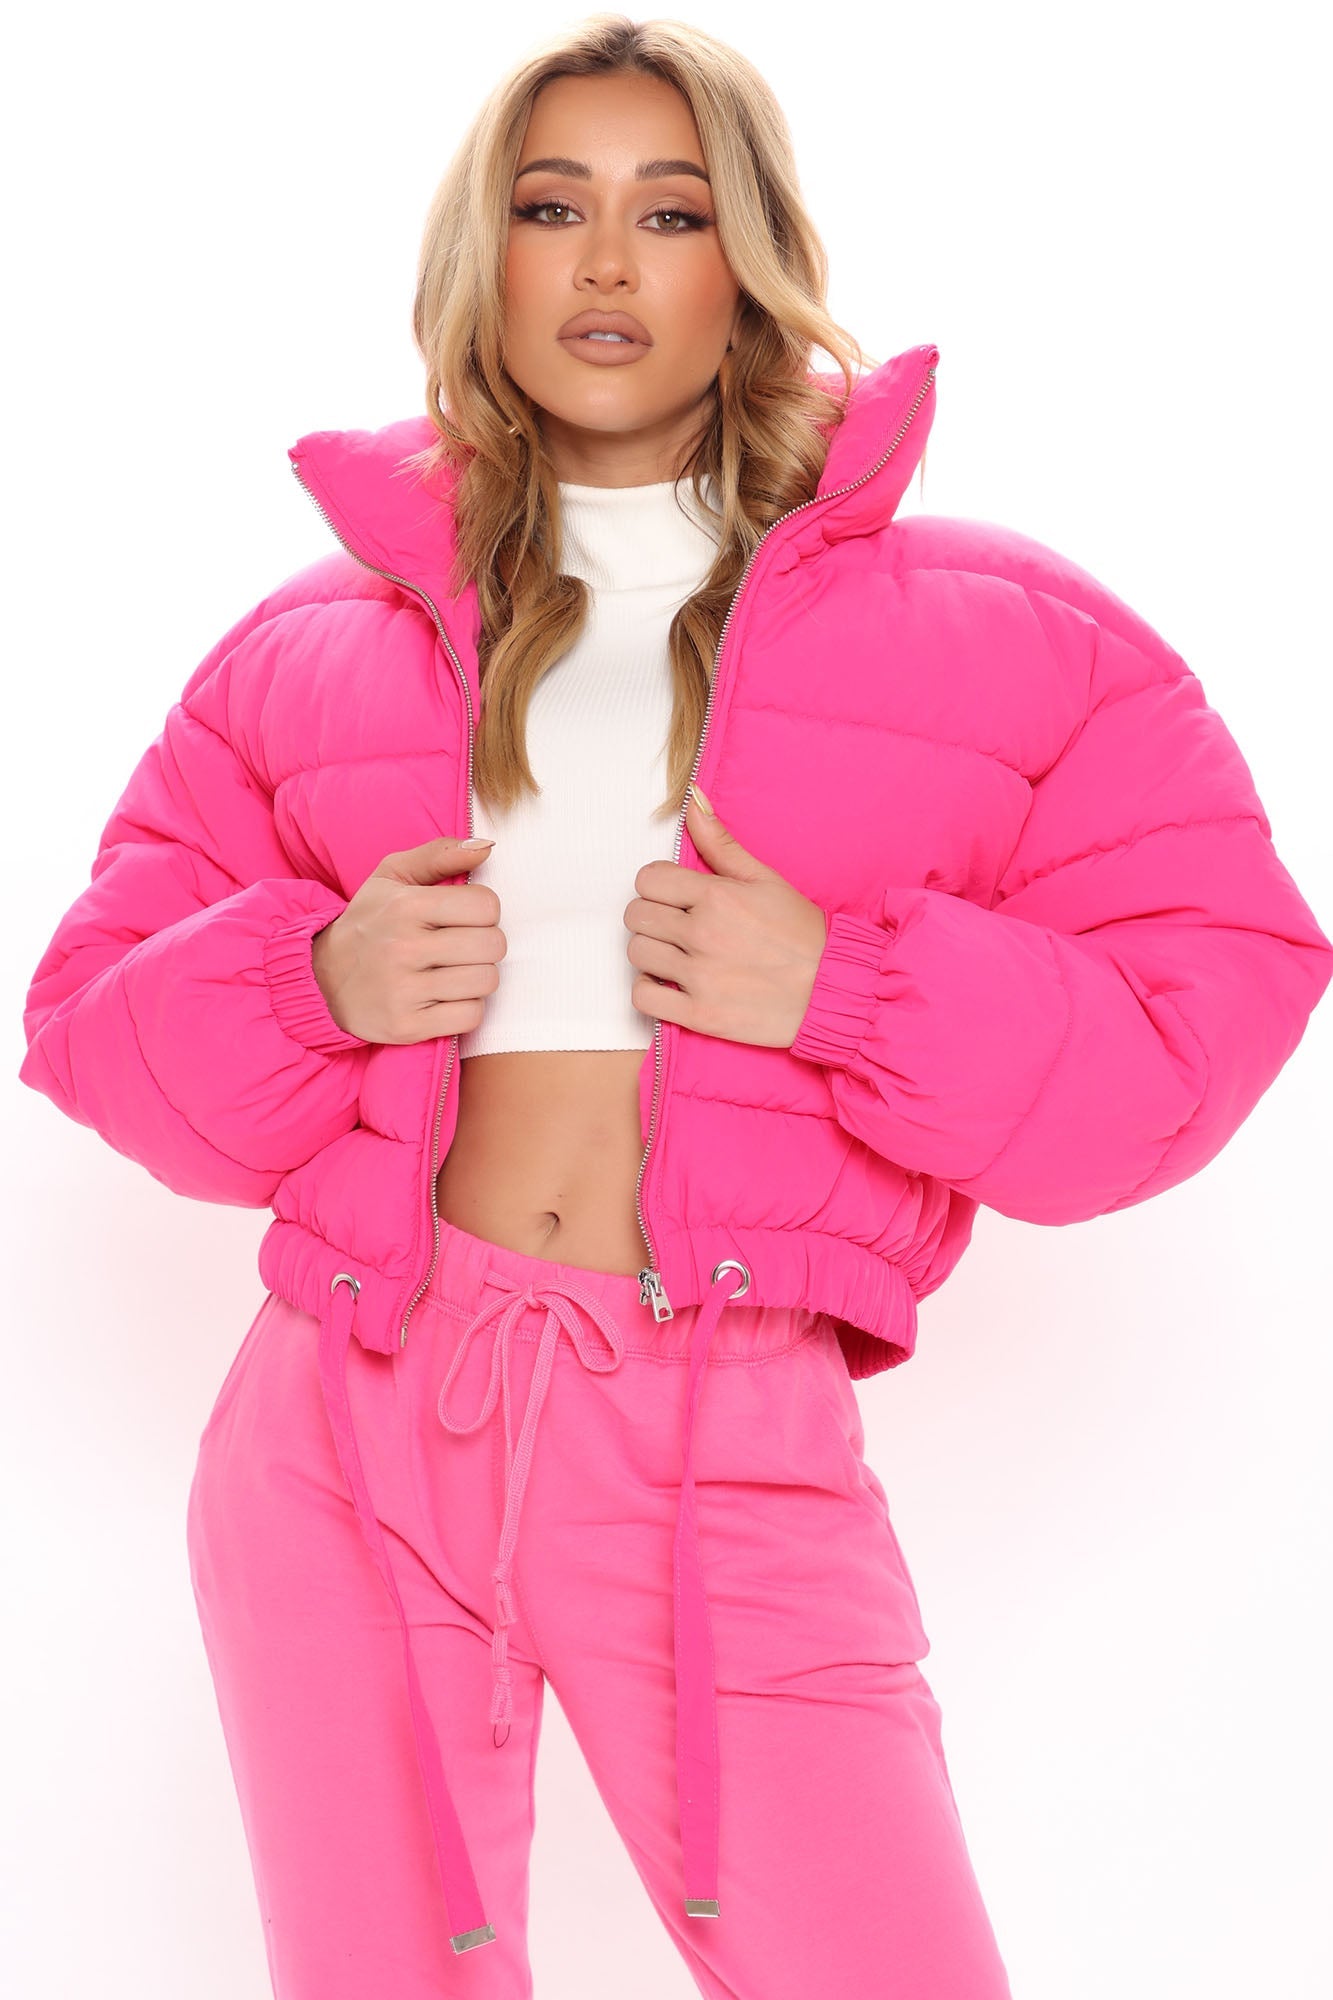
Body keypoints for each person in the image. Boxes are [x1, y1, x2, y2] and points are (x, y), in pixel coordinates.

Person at [17, 16, 1333, 2000]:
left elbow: (1199, 1011)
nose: (606, 262)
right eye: (552, 208)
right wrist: (313, 982)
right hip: (345, 1417)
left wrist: (847, 990)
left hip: (722, 1422)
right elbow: (88, 1027)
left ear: (754, 260)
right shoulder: (312, 644)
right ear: (486, 256)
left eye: (672, 210)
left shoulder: (1009, 633)